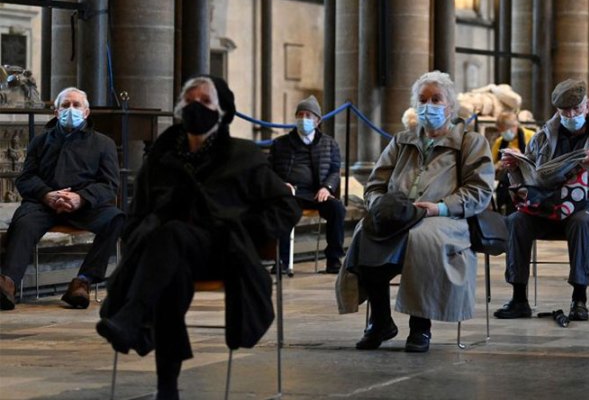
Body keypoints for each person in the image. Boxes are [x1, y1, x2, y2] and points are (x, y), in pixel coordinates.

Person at [95, 76, 300, 400]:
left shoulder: (242, 156)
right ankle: (167, 388)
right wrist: (141, 234)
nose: (196, 106)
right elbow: (135, 216)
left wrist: (246, 230)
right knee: (169, 273)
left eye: (205, 101)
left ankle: (132, 317)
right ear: (179, 108)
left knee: (170, 238)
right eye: (189, 100)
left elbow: (286, 207)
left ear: (221, 112)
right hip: (168, 258)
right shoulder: (161, 157)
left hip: (223, 251)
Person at [336, 71, 493, 353]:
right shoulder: (401, 141)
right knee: (365, 233)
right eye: (422, 100)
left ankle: (420, 327)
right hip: (399, 215)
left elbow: (479, 190)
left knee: (422, 239)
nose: (428, 106)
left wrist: (440, 207)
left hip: (445, 217)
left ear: (450, 106)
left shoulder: (470, 142)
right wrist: (379, 206)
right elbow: (375, 184)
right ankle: (381, 322)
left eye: (436, 99)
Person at [494, 79, 589, 322]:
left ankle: (579, 298)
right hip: (549, 202)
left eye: (575, 109)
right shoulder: (543, 137)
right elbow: (529, 180)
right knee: (516, 220)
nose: (570, 115)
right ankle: (519, 298)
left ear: (587, 106)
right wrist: (515, 168)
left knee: (581, 221)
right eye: (564, 111)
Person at [0, 87, 122, 311]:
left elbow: (110, 184)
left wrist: (80, 198)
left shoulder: (104, 144)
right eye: (65, 106)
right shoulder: (40, 141)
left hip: (84, 206)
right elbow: (26, 178)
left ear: (86, 112)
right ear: (56, 112)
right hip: (44, 204)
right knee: (24, 222)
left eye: (76, 106)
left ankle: (82, 282)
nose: (71, 110)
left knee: (116, 219)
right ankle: (8, 282)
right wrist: (47, 195)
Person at [269, 95, 345, 275]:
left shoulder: (329, 143)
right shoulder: (280, 144)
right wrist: (281, 184)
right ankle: (282, 260)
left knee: (336, 209)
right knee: (283, 208)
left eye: (308, 116)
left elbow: (335, 170)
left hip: (317, 192)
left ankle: (334, 260)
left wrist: (327, 187)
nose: (303, 119)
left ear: (317, 120)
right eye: (300, 115)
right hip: (291, 192)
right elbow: (268, 170)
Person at [491, 110, 534, 215]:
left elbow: (538, 162)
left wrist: (522, 157)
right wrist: (499, 164)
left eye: (506, 130)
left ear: (515, 126)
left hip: (528, 177)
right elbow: (491, 167)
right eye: (501, 131)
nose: (504, 133)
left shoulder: (531, 136)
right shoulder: (499, 142)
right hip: (506, 179)